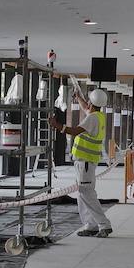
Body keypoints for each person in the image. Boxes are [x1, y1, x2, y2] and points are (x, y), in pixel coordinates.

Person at [51, 87, 112, 238]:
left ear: (92, 102)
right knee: (82, 194)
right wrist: (78, 97)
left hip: (85, 162)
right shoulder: (98, 116)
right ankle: (90, 225)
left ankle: (104, 224)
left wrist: (56, 125)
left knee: (87, 193)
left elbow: (74, 131)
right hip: (85, 162)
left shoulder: (92, 118)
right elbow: (86, 108)